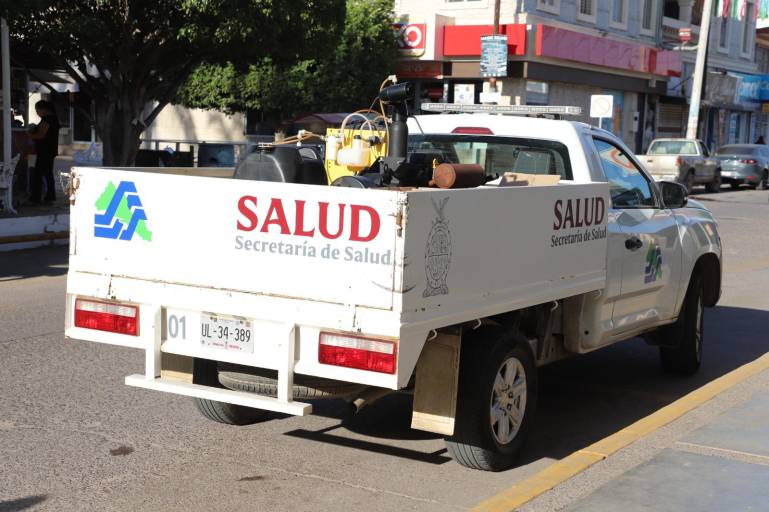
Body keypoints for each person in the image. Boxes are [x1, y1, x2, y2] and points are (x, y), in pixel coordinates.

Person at [28, 100, 60, 203]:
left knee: (39, 174)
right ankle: (50, 196)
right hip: (49, 150)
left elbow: (41, 135)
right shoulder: (52, 119)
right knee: (47, 173)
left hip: (45, 151)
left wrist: (28, 135)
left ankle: (36, 197)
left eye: (37, 110)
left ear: (44, 110)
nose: (37, 113)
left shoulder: (48, 120)